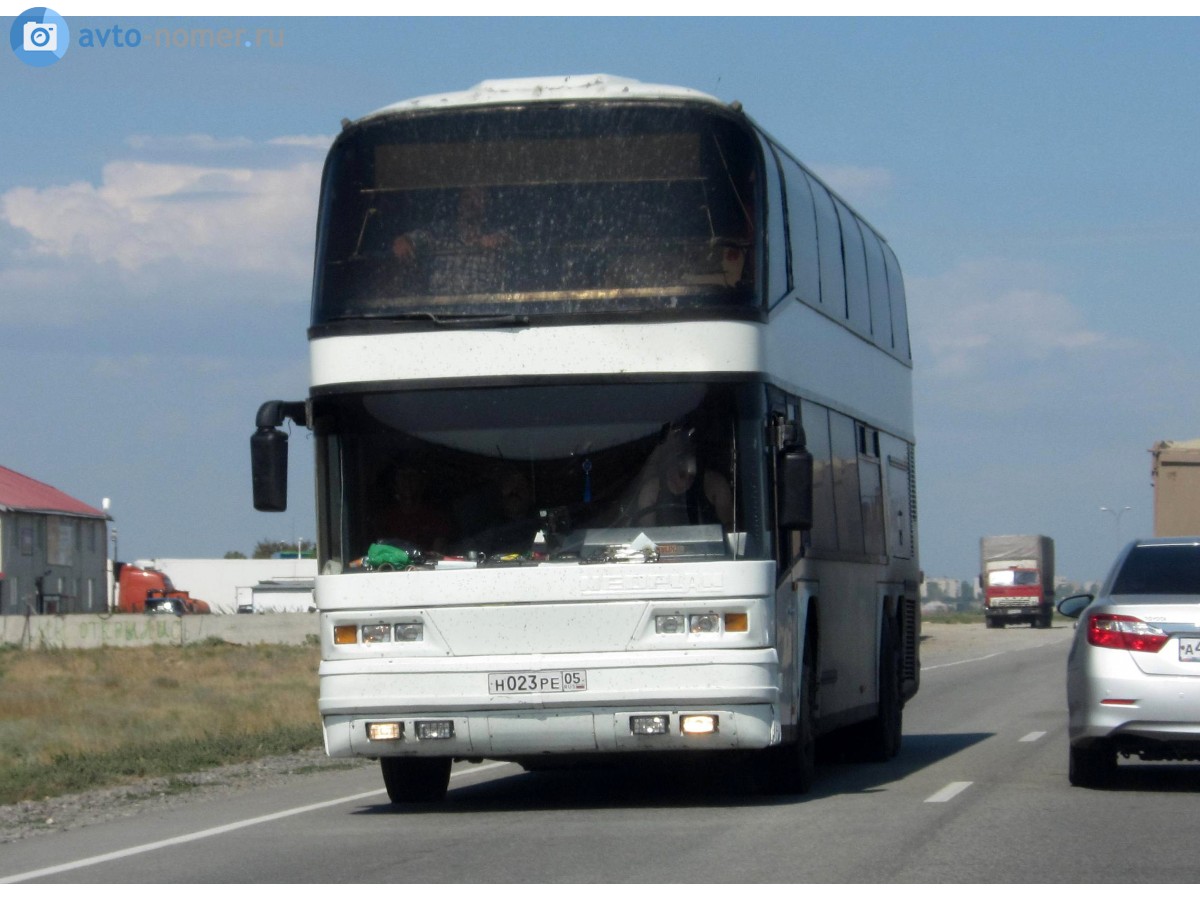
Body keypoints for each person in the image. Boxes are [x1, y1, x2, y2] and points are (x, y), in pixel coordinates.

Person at [391, 186, 513, 294]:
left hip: (482, 311)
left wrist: (500, 240)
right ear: (459, 204)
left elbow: (519, 249)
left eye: (477, 198)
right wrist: (405, 240)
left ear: (486, 205)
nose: (471, 203)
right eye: (467, 197)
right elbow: (419, 237)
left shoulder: (496, 238)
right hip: (438, 311)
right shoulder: (440, 236)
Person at [626, 427, 733, 529]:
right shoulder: (651, 490)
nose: (687, 479)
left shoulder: (715, 485)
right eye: (682, 473)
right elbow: (647, 536)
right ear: (670, 463)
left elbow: (731, 532)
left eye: (692, 475)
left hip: (709, 547)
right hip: (663, 547)